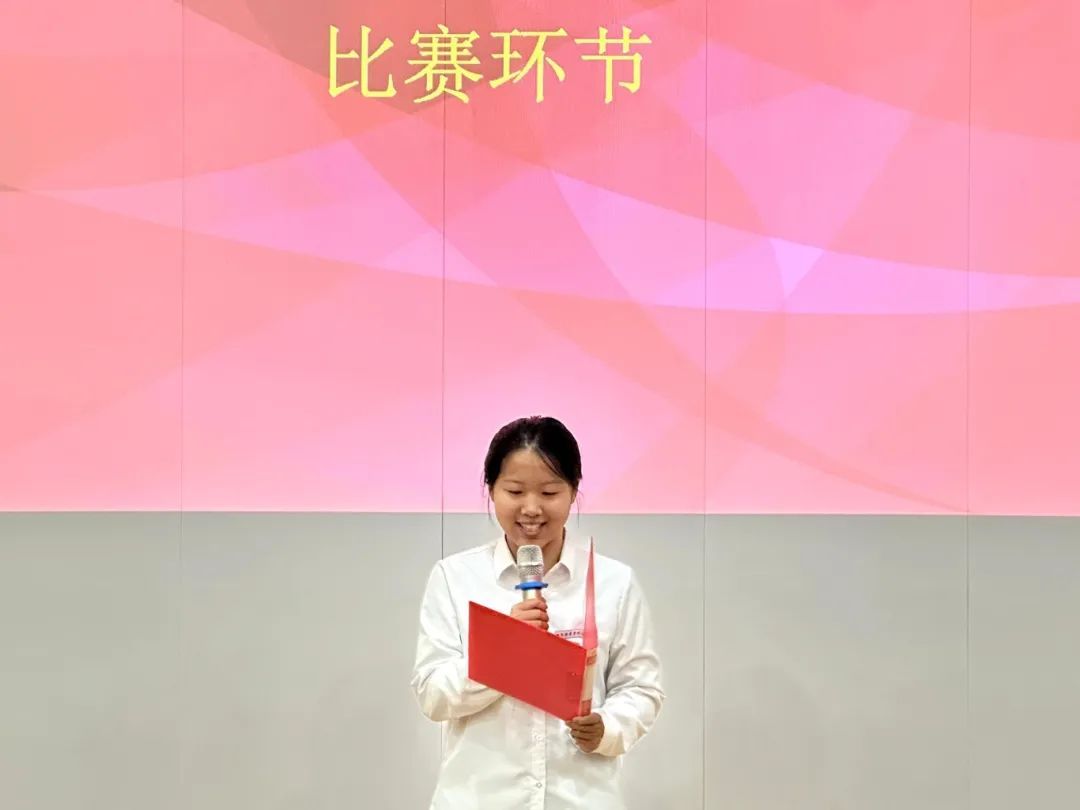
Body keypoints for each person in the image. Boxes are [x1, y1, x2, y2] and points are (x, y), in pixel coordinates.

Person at [411, 415, 664, 810]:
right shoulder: (455, 577)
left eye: (549, 492)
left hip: (581, 798)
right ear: (491, 489)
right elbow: (433, 695)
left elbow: (641, 688)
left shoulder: (614, 582)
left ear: (574, 491)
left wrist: (608, 727)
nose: (531, 508)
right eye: (515, 491)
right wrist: (504, 648)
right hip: (480, 799)